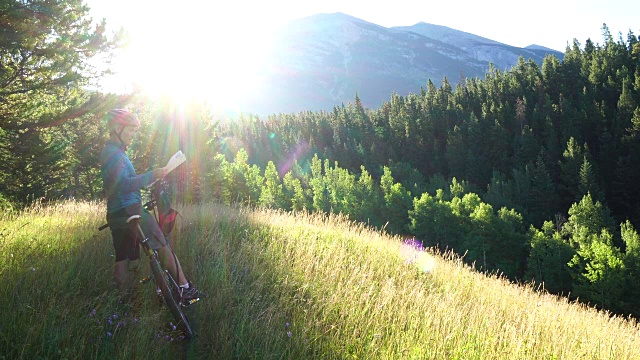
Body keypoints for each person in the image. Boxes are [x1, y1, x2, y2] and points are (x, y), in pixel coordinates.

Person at [99, 109, 203, 300]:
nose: (132, 135)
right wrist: (153, 175)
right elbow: (123, 185)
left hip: (116, 214)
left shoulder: (112, 152)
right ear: (117, 128)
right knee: (162, 244)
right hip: (130, 210)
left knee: (123, 257)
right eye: (130, 130)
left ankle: (123, 302)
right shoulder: (114, 154)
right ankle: (184, 288)